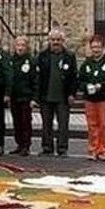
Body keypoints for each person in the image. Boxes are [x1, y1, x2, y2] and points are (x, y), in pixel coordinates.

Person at [78, 33, 105, 162]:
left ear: (103, 47)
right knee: (92, 125)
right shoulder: (87, 63)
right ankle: (93, 149)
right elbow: (80, 80)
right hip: (90, 99)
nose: (95, 50)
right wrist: (86, 87)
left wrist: (101, 86)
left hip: (104, 98)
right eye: (93, 47)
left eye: (98, 47)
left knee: (104, 124)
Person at [35, 28, 77, 157]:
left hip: (63, 97)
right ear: (49, 40)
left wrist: (72, 94)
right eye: (53, 40)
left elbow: (74, 77)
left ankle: (62, 148)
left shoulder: (69, 56)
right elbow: (38, 77)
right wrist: (36, 97)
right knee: (46, 124)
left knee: (63, 124)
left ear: (62, 41)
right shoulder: (42, 56)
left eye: (58, 39)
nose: (55, 42)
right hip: (46, 95)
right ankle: (47, 147)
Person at [5, 34, 36, 155]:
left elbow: (35, 80)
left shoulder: (31, 61)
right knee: (16, 122)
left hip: (26, 97)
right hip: (14, 96)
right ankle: (19, 144)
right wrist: (7, 94)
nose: (20, 47)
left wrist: (34, 98)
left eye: (23, 45)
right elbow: (8, 79)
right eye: (18, 45)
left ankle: (26, 145)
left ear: (27, 47)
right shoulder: (11, 60)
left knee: (25, 122)